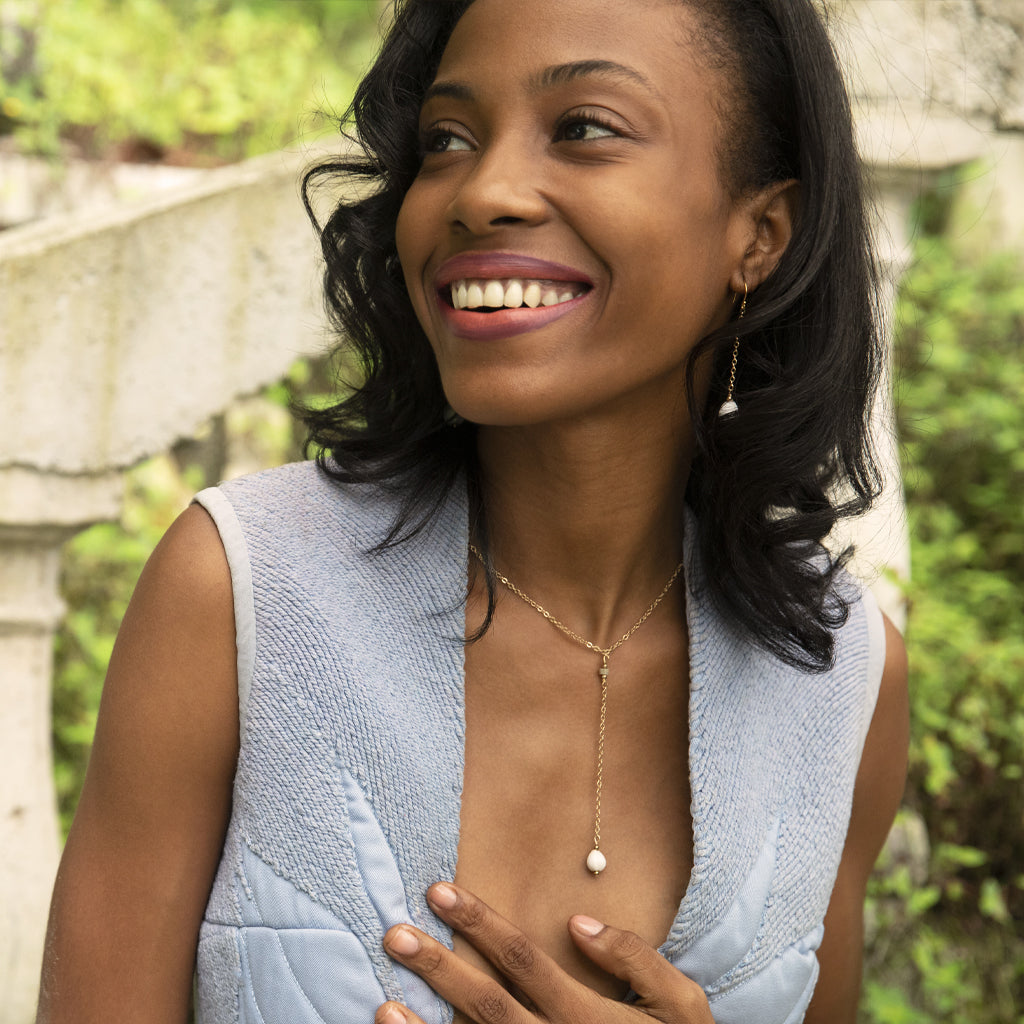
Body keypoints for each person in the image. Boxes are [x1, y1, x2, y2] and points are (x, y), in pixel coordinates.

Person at [36, 0, 909, 1022]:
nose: (480, 191)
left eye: (584, 127)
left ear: (758, 234)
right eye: (445, 139)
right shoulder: (239, 593)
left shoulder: (842, 689)